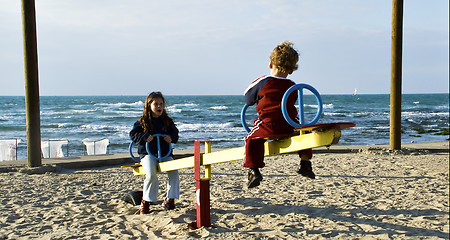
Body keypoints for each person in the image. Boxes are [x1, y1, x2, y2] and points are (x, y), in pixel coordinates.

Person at [243, 41, 315, 189]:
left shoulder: (263, 82)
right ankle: (305, 162)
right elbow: (293, 100)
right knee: (305, 132)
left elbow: (248, 99)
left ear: (270, 63)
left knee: (251, 139)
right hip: (290, 125)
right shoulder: (292, 85)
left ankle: (253, 170)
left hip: (268, 125)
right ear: (291, 70)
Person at [130, 92, 180, 214]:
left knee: (174, 172)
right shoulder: (142, 121)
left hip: (164, 153)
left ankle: (170, 199)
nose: (159, 107)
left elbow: (175, 134)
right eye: (156, 104)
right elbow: (133, 135)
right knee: (151, 174)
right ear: (149, 105)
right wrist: (145, 136)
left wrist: (170, 137)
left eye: (161, 104)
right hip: (148, 154)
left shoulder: (167, 121)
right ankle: (146, 201)